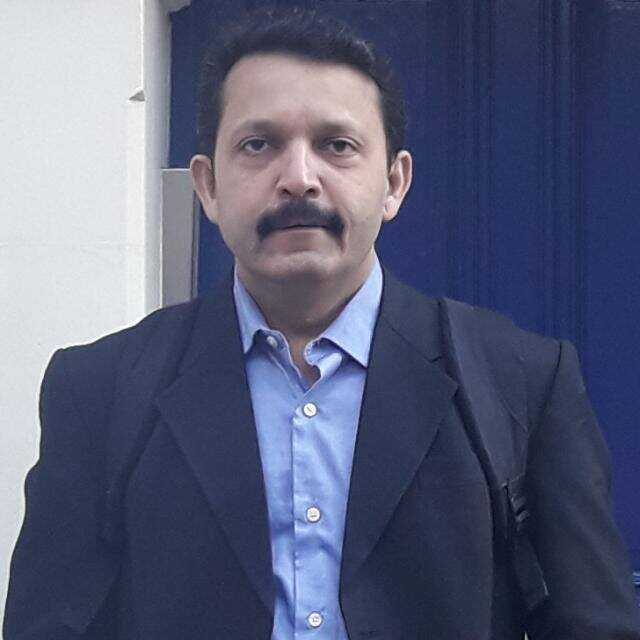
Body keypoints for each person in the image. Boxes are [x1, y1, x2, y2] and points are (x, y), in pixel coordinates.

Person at [4, 7, 639, 640]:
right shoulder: (100, 390)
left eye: (337, 145)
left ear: (394, 183)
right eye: (259, 145)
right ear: (208, 186)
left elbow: (593, 625)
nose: (299, 179)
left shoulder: (521, 382)